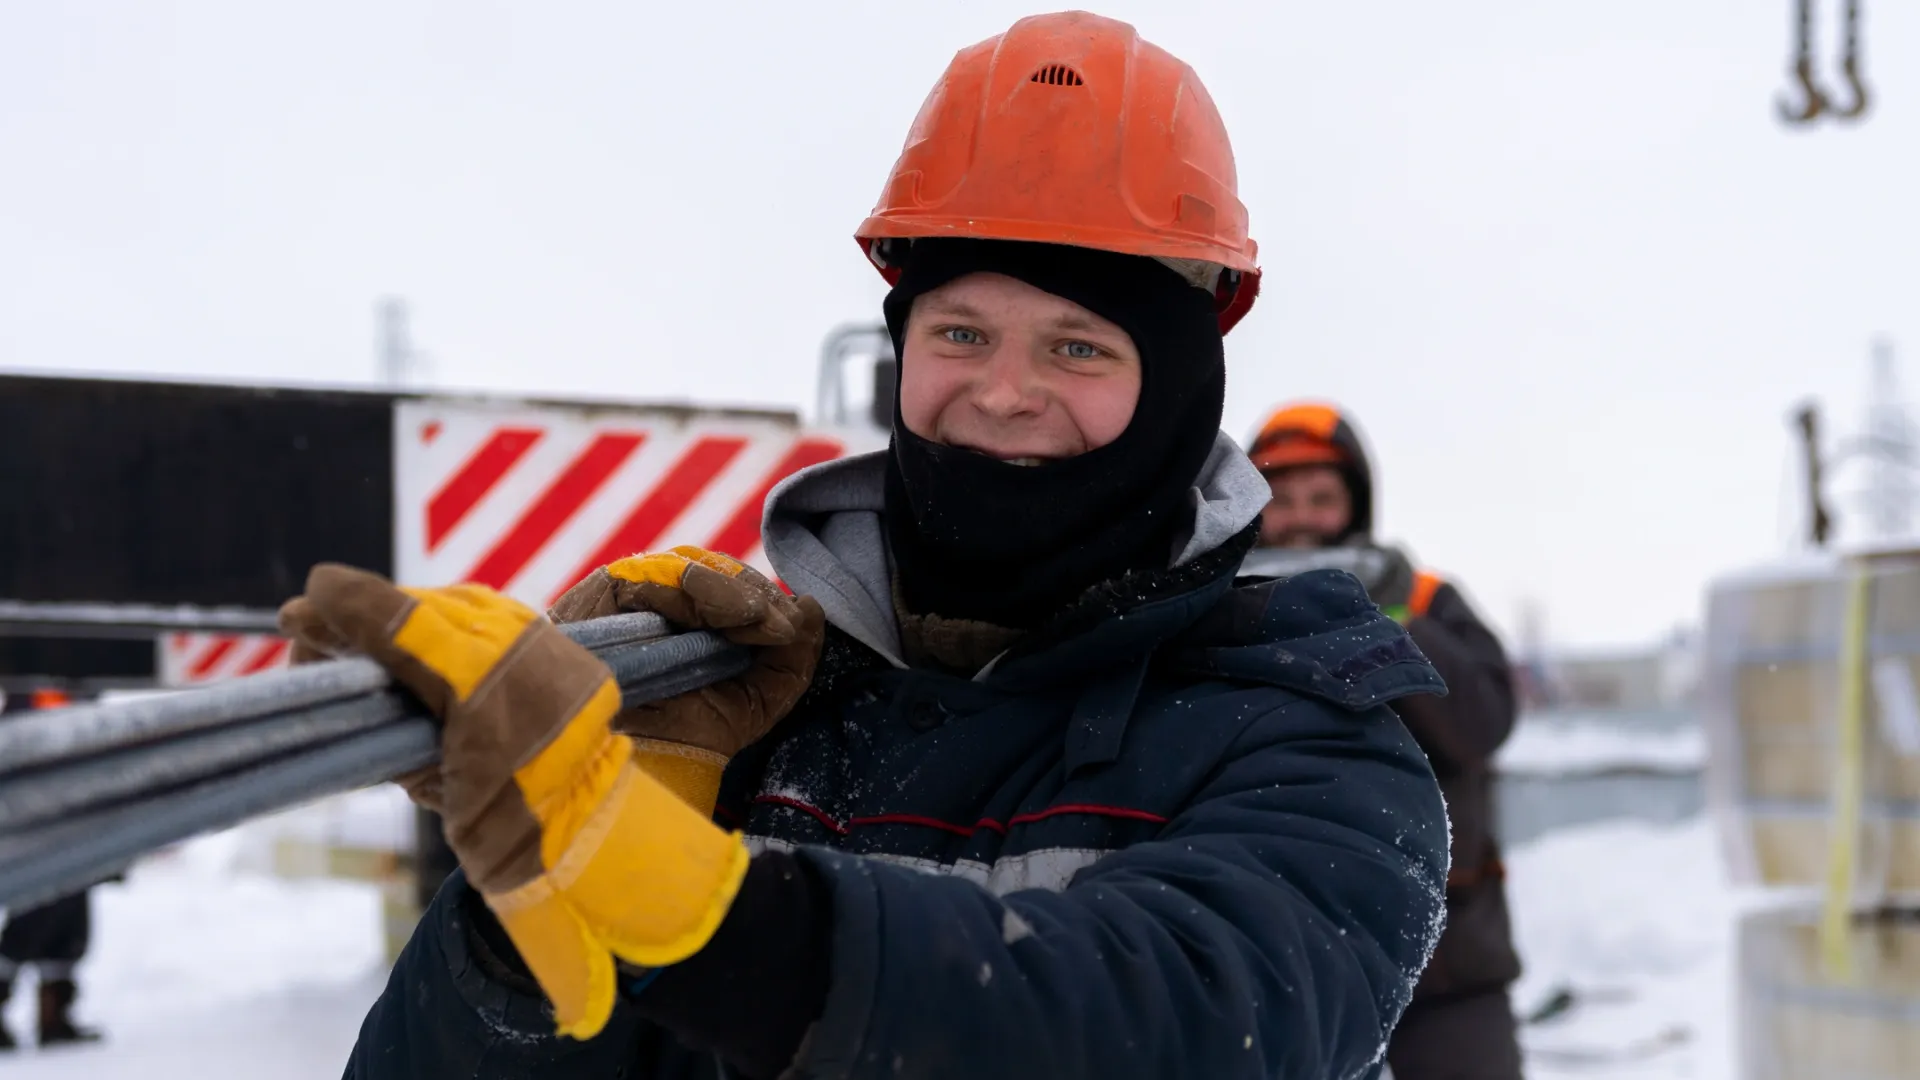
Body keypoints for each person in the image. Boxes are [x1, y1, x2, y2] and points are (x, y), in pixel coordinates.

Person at [282, 13, 1451, 1078]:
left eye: (1079, 348)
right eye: (961, 330)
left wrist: (716, 922)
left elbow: (1181, 1024)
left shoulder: (1310, 739)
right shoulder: (765, 710)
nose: (1002, 393)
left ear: (1182, 387)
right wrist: (529, 898)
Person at [1244, 403, 1523, 1080]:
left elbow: (1481, 724)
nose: (1301, 517)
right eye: (1280, 498)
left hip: (1450, 958)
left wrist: (1383, 617)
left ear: (1357, 504)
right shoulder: (1225, 602)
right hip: (1284, 955)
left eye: (1322, 498)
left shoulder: (1423, 599)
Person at [0, 688, 105, 1052]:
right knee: (39, 908)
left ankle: (54, 1013)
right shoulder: (37, 676)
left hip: (76, 790)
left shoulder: (78, 681)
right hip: (40, 796)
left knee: (71, 913)